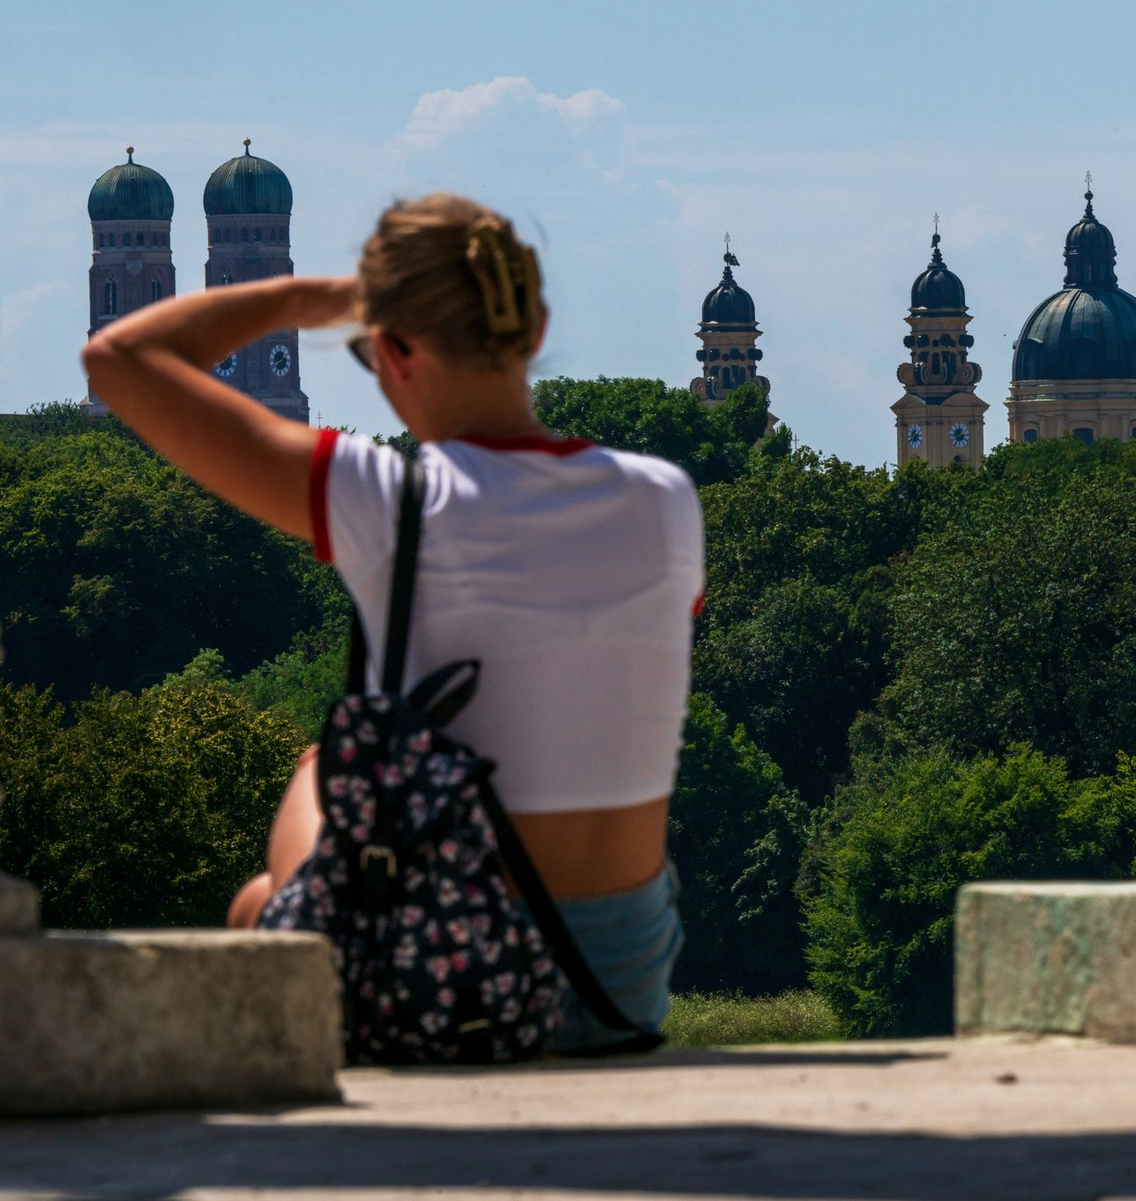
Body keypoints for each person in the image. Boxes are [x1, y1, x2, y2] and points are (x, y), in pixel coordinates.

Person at [82, 193, 703, 1052]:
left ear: (392, 349)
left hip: (447, 991)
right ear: (535, 326)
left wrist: (310, 298)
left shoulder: (389, 499)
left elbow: (119, 358)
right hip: (619, 997)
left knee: (313, 790)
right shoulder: (665, 500)